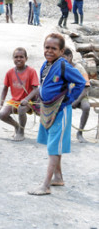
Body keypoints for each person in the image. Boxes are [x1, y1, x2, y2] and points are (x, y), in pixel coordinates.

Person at [28, 33, 85, 196]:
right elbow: (43, 85)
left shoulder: (64, 66)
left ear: (61, 51)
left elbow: (80, 82)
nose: (49, 51)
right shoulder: (46, 65)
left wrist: (70, 99)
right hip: (48, 110)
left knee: (53, 146)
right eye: (47, 47)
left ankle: (45, 185)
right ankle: (58, 177)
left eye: (54, 48)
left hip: (60, 111)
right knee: (53, 144)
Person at [0, 48, 39, 141]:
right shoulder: (10, 72)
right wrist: (0, 104)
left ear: (26, 58)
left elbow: (35, 89)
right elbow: (5, 89)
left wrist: (26, 99)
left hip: (28, 101)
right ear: (13, 58)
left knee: (21, 108)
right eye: (16, 57)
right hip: (14, 101)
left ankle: (21, 132)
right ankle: (17, 126)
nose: (18, 59)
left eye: (21, 57)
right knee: (2, 114)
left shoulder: (31, 71)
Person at [62, 48, 90, 143]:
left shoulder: (79, 68)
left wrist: (77, 101)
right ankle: (60, 132)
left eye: (64, 57)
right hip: (65, 95)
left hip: (79, 96)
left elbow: (86, 87)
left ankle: (80, 133)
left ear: (70, 56)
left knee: (86, 107)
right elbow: (55, 81)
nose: (62, 60)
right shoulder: (60, 67)